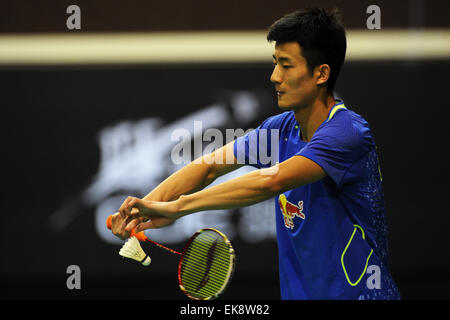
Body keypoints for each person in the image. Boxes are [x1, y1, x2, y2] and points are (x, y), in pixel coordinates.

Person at [110, 8, 401, 300]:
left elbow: (271, 181)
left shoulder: (347, 132)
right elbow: (209, 166)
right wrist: (146, 206)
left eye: (286, 66)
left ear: (321, 74)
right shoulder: (280, 129)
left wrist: (178, 207)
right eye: (275, 63)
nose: (274, 77)